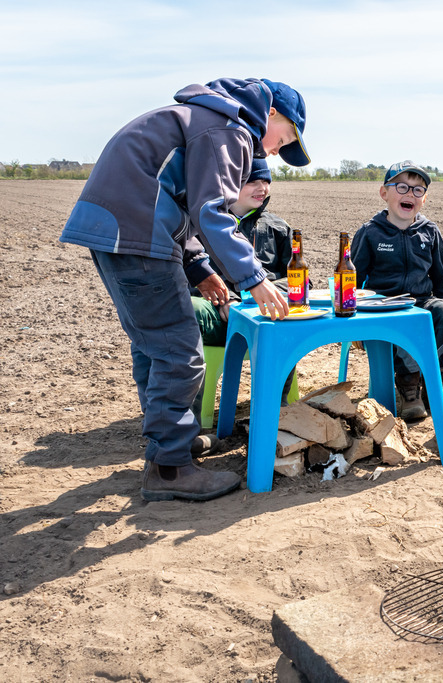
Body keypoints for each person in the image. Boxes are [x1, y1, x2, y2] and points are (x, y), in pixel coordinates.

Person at [60, 77, 311, 502]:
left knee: (156, 348)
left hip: (116, 228)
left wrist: (199, 268)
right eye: (282, 139)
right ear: (270, 112)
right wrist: (254, 278)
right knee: (180, 352)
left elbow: (178, 200)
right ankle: (170, 468)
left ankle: (172, 444)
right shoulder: (230, 129)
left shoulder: (204, 118)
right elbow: (211, 211)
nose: (272, 152)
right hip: (139, 233)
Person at [350, 161, 443, 421]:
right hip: (384, 305)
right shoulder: (370, 232)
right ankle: (409, 384)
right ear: (384, 193)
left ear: (424, 199)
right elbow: (352, 280)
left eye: (417, 190)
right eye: (401, 187)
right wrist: (355, 324)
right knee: (401, 323)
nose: (410, 193)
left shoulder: (429, 232)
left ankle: (434, 377)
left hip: (420, 302)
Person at [190, 157, 297, 408]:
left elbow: (300, 281)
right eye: (253, 182)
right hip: (220, 314)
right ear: (230, 182)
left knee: (290, 314)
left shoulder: (279, 228)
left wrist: (259, 295)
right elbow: (190, 275)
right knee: (188, 310)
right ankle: (188, 415)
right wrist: (224, 299)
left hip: (266, 316)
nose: (263, 188)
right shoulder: (203, 226)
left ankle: (276, 408)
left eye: (266, 182)